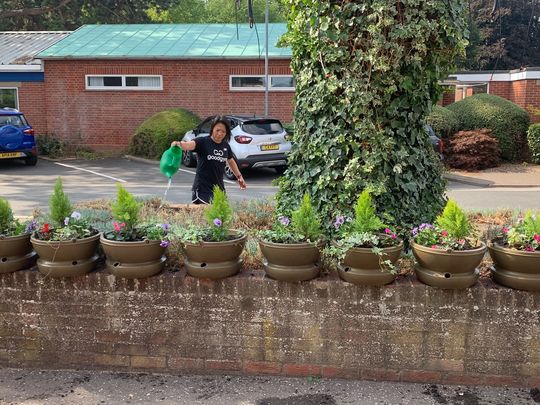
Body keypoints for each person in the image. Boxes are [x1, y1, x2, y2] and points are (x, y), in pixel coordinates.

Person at [171, 115, 247, 204]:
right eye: (217, 130)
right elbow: (188, 145)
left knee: (221, 215)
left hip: (219, 189)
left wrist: (239, 176)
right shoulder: (203, 142)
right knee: (209, 215)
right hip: (203, 189)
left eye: (223, 131)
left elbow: (230, 160)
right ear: (212, 129)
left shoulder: (225, 146)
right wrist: (178, 144)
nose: (220, 133)